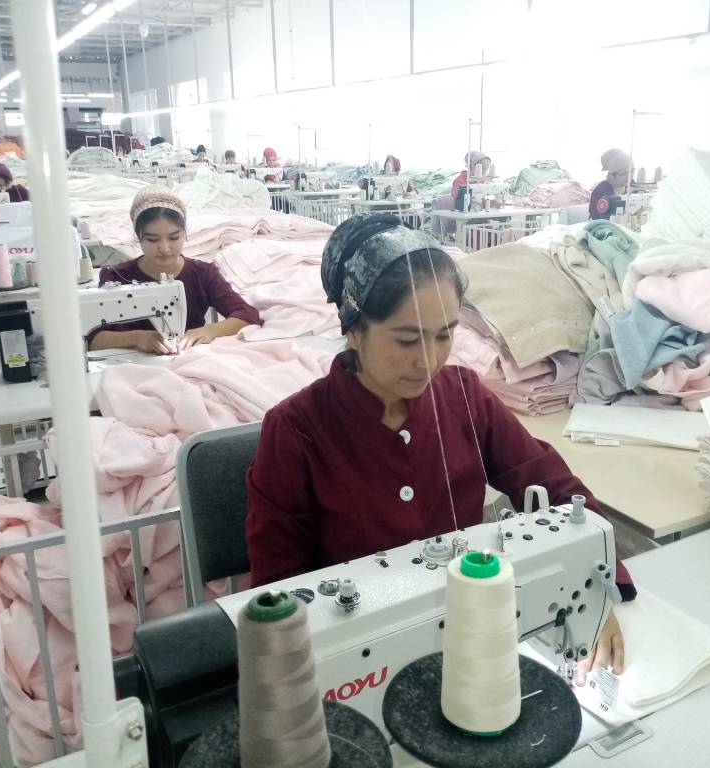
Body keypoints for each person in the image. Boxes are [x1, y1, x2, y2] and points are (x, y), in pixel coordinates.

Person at [246, 214, 634, 679]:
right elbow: (278, 590)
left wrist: (596, 585)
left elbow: (553, 485)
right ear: (354, 330)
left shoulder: (465, 396)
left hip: (466, 631)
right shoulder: (296, 432)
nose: (429, 360)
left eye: (445, 334)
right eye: (407, 339)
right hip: (356, 657)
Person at [89, 186, 261, 354]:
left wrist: (209, 331)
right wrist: (137, 338)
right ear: (138, 237)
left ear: (184, 233)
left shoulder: (203, 274)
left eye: (174, 237)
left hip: (189, 360)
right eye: (152, 239)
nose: (164, 248)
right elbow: (93, 338)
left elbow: (247, 315)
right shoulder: (116, 277)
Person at [589, 148, 632, 219]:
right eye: (623, 173)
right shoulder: (601, 190)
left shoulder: (630, 186)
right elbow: (595, 217)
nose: (628, 176)